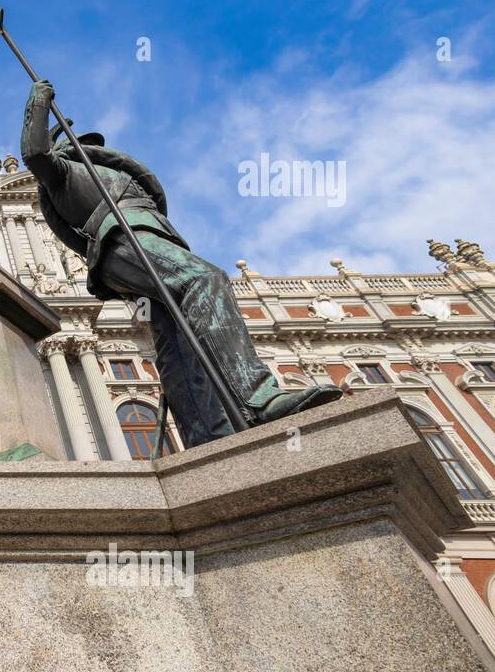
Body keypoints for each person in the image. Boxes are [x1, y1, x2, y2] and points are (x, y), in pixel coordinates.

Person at [20, 79, 340, 447]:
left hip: (135, 238)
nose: (93, 147)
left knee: (175, 336)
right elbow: (34, 153)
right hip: (119, 240)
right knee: (205, 280)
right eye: (85, 143)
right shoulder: (64, 176)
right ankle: (261, 397)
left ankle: (207, 436)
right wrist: (39, 100)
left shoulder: (112, 175)